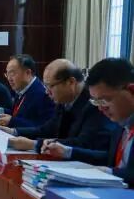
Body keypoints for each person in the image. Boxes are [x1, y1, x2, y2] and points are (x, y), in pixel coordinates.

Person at [0, 59, 116, 153]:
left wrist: (34, 145)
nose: (47, 92)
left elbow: (83, 143)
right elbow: (46, 130)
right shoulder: (63, 101)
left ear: (71, 82)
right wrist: (13, 131)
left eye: (50, 86)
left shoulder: (95, 103)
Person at [45, 58, 134, 186]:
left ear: (131, 90)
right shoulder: (121, 124)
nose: (101, 108)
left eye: (105, 100)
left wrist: (110, 172)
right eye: (96, 101)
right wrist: (67, 151)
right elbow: (110, 158)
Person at [0, 54, 55, 128]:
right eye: (7, 74)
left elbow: (43, 127)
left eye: (12, 73)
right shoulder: (22, 88)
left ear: (28, 73)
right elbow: (17, 113)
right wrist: (0, 110)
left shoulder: (43, 94)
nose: (9, 78)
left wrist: (12, 121)